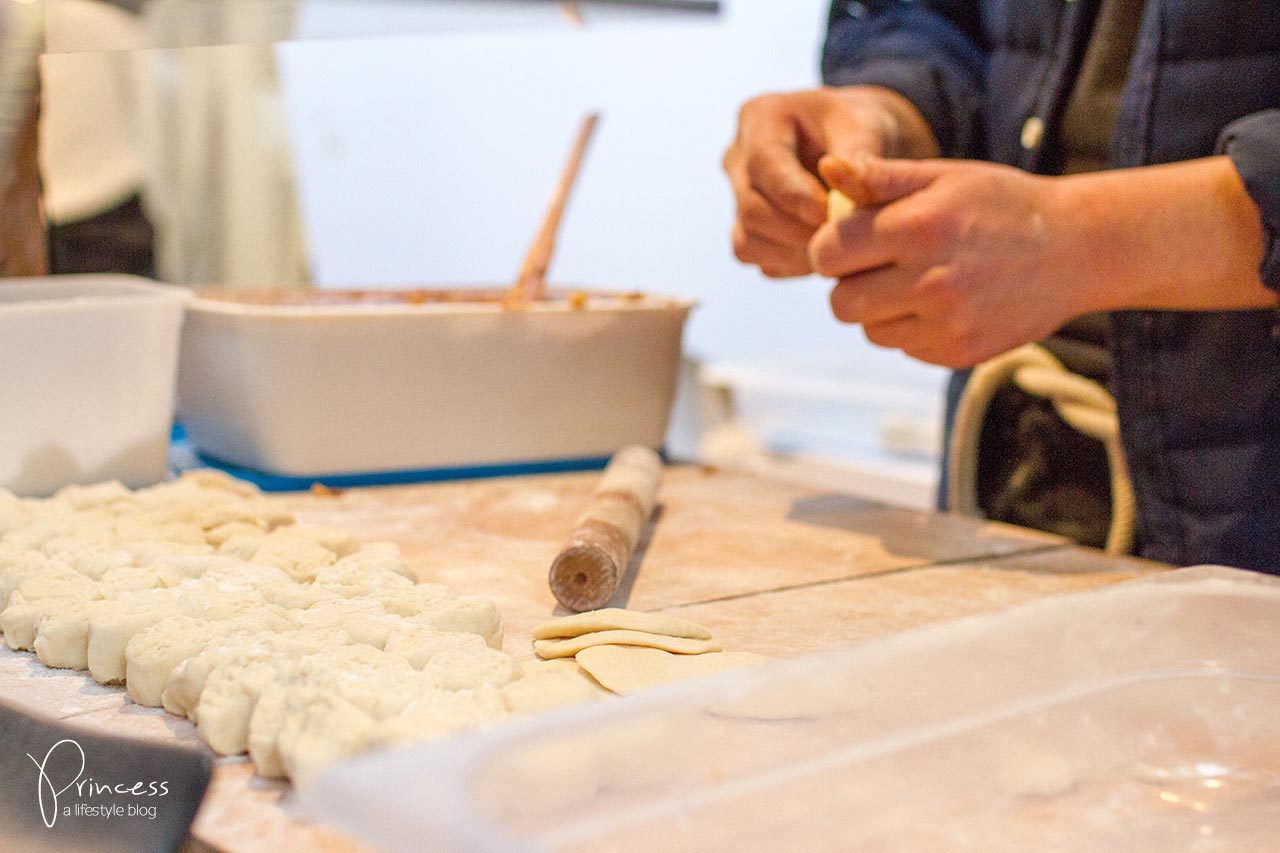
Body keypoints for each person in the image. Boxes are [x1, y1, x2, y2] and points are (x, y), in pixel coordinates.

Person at [724, 2, 1280, 571]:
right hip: (1003, 460)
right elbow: (934, 15)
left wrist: (1079, 240)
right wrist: (887, 107)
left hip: (1252, 516)